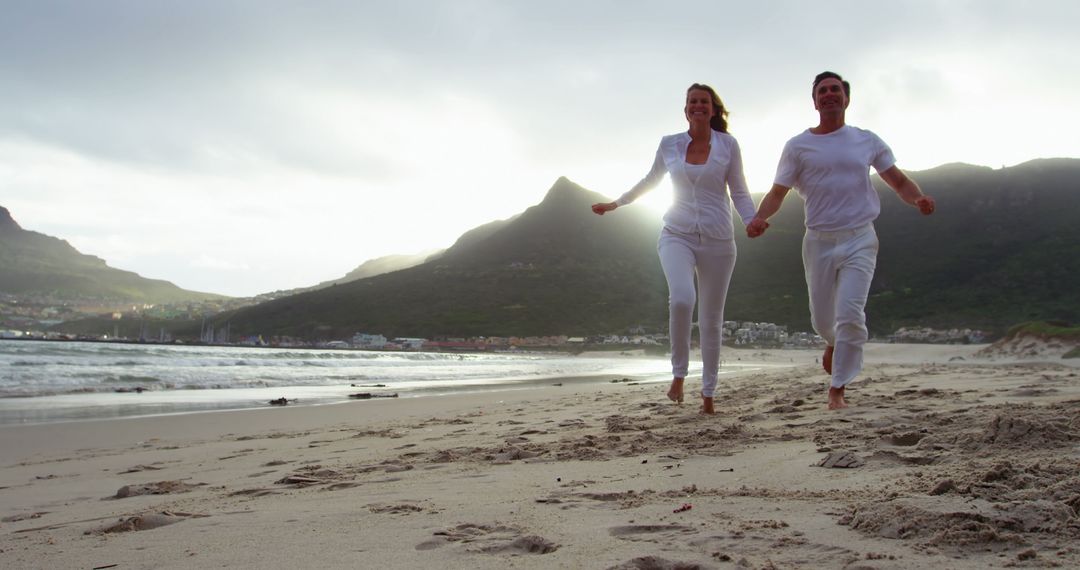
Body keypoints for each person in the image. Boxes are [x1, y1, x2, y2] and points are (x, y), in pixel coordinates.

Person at [747, 71, 935, 410]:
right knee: (822, 320)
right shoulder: (797, 146)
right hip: (818, 241)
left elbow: (898, 180)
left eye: (836, 89)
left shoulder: (866, 140)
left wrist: (918, 199)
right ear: (815, 101)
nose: (830, 94)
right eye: (823, 91)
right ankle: (833, 342)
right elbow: (778, 192)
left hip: (860, 237)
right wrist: (761, 218)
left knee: (850, 313)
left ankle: (838, 389)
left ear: (846, 98)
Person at [591, 83, 755, 415]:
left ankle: (708, 394)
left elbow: (738, 190)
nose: (698, 106)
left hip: (719, 241)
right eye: (692, 101)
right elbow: (651, 180)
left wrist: (752, 219)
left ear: (713, 109)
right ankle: (679, 375)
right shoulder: (670, 144)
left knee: (711, 319)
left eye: (703, 101)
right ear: (685, 109)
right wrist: (618, 203)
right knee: (682, 298)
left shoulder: (728, 145)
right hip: (675, 234)